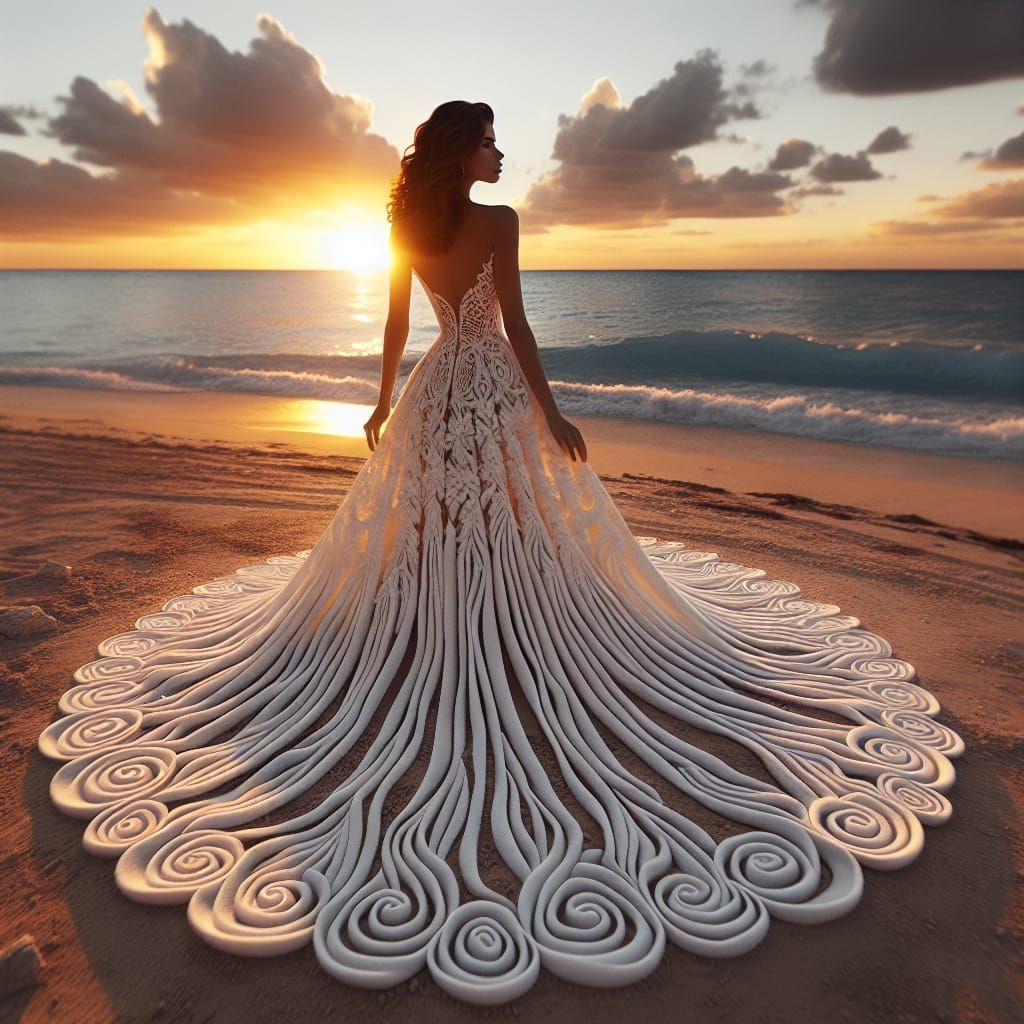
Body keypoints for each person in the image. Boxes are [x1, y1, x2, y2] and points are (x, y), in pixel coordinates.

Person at [38, 100, 963, 1007]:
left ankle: (453, 615)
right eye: (487, 142)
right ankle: (491, 621)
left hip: (437, 388)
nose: (500, 154)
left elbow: (399, 327)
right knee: (509, 509)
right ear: (459, 153)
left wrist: (380, 398)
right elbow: (516, 328)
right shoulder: (500, 224)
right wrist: (550, 410)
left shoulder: (406, 223)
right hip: (488, 386)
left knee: (444, 514)